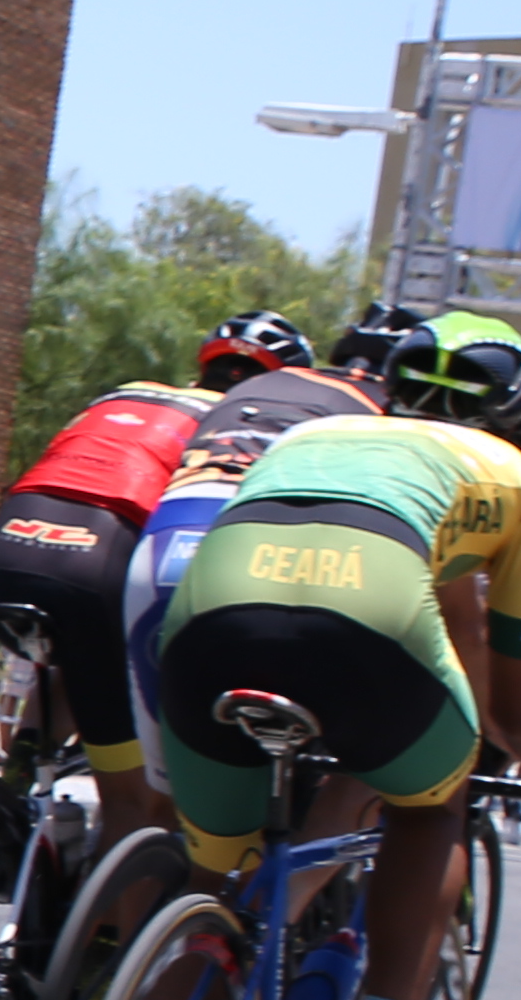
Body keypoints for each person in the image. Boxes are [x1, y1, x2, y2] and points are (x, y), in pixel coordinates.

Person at [142, 329, 521, 1000]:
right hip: (364, 617)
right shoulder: (520, 487)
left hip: (208, 617)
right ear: (520, 416)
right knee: (434, 800)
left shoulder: (320, 432)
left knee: (217, 887)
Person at [0, 312, 290, 857]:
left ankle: (11, 783)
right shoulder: (238, 426)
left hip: (6, 550)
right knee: (134, 802)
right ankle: (105, 940)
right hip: (100, 561)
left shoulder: (130, 392)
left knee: (78, 660)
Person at [119, 311, 393, 756]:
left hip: (165, 536)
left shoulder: (226, 400)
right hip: (257, 546)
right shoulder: (383, 413)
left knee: (159, 797)